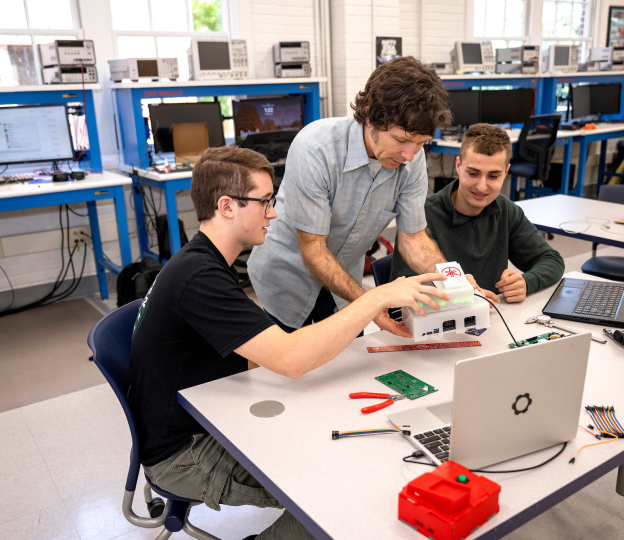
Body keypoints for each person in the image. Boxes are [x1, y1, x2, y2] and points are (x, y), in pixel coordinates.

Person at [129, 146, 448, 540]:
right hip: (186, 455)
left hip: (205, 418)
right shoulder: (200, 278)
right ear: (227, 206)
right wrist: (375, 298)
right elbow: (290, 359)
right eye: (264, 202)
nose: (274, 213)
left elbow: (267, 353)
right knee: (337, 496)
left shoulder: (204, 262)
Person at [247, 57, 464, 339]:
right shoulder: (315, 149)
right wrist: (371, 302)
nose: (409, 155)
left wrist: (456, 284)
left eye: (420, 143)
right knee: (286, 371)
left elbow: (415, 239)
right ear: (370, 114)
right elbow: (313, 249)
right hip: (287, 279)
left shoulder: (411, 160)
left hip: (344, 282)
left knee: (351, 368)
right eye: (400, 140)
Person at [390, 123, 565, 302]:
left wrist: (527, 282)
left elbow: (552, 260)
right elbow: (402, 295)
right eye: (473, 174)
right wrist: (464, 296)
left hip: (494, 319)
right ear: (458, 166)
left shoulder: (506, 210)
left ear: (506, 172)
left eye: (493, 176)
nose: (482, 186)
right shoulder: (421, 217)